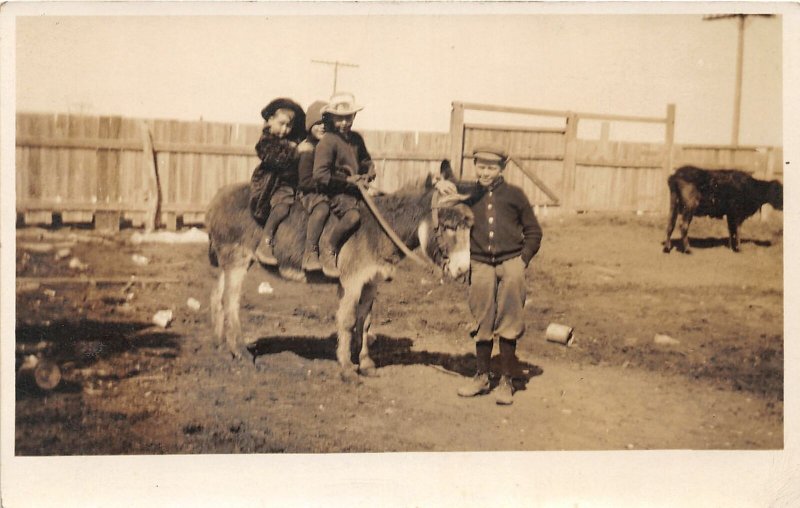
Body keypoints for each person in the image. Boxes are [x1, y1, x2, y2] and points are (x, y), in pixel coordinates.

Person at [439, 145, 543, 405]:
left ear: (502, 169)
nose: (485, 172)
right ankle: (482, 376)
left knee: (509, 318)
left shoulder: (515, 195)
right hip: (480, 264)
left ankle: (507, 380)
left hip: (511, 263)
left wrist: (522, 260)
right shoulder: (469, 192)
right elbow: (446, 188)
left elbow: (534, 231)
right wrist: (441, 184)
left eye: (491, 167)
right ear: (475, 167)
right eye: (480, 166)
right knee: (481, 318)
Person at [312, 92, 376, 278]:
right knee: (353, 216)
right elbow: (320, 175)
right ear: (331, 118)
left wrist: (369, 170)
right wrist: (347, 181)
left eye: (348, 118)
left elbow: (364, 160)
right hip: (336, 191)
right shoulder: (328, 141)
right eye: (339, 119)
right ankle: (329, 249)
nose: (344, 123)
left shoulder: (356, 139)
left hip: (356, 190)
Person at [249, 97, 306, 266]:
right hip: (271, 183)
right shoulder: (265, 141)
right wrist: (296, 150)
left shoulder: (290, 140)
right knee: (281, 207)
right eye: (281, 123)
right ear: (270, 120)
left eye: (289, 126)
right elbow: (276, 159)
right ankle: (265, 243)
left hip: (289, 183)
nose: (285, 129)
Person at [296, 100, 330, 272]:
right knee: (322, 209)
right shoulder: (307, 149)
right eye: (318, 123)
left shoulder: (326, 147)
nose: (322, 126)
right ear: (310, 125)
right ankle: (310, 252)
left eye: (326, 122)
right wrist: (330, 184)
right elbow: (305, 181)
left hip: (323, 189)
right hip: (308, 192)